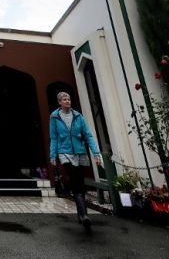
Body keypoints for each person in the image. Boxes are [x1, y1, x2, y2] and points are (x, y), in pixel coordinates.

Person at [49, 91, 102, 231]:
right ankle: (84, 215)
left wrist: (96, 152)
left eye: (68, 99)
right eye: (64, 99)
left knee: (79, 181)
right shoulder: (54, 117)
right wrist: (53, 155)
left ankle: (81, 213)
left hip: (80, 152)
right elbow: (54, 138)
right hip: (64, 153)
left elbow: (88, 135)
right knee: (74, 179)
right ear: (59, 102)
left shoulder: (78, 116)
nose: (67, 101)